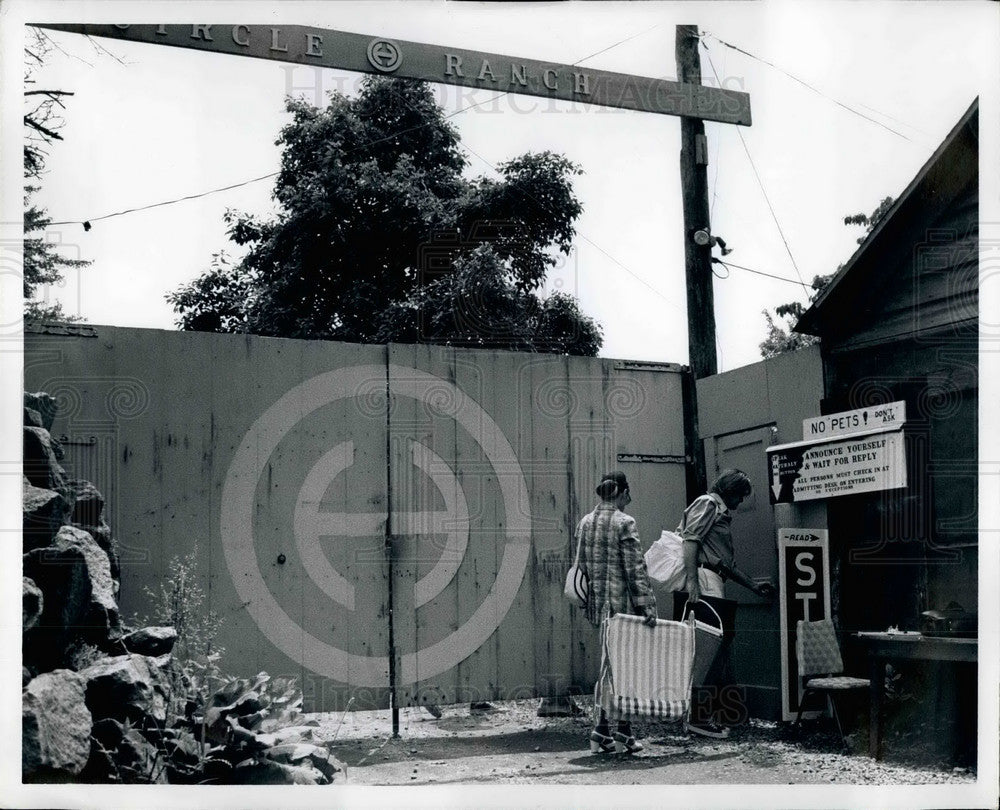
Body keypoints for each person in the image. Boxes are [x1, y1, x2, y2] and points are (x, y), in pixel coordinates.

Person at [676, 468, 775, 738]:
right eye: (740, 496)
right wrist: (694, 582)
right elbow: (690, 540)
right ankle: (700, 717)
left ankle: (719, 713)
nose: (741, 502)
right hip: (705, 579)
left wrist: (753, 585)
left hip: (712, 577)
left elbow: (724, 562)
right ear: (730, 491)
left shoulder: (716, 509)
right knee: (710, 650)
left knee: (716, 648)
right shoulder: (708, 503)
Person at [576, 471, 657, 755]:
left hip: (599, 607)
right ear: (621, 491)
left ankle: (611, 730)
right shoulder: (625, 522)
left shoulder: (586, 522)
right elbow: (636, 569)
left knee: (608, 665)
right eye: (628, 493)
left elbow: (581, 567)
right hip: (624, 607)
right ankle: (614, 730)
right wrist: (647, 605)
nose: (630, 499)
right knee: (624, 668)